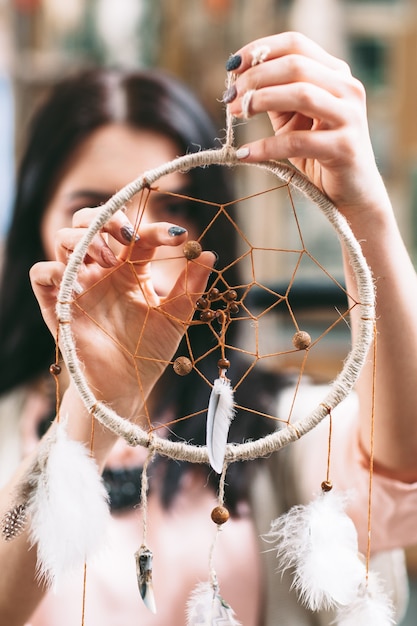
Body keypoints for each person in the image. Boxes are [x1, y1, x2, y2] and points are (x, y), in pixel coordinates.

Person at [0, 31, 417, 626]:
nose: (136, 236)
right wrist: (96, 407)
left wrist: (365, 210)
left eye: (172, 209)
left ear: (208, 230)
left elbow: (397, 471)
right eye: (98, 203)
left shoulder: (280, 428)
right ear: (37, 225)